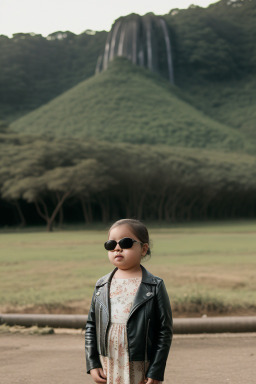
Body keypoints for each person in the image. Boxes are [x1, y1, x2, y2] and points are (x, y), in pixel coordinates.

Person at [85, 218, 173, 384]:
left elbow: (164, 331)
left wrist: (156, 370)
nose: (117, 248)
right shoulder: (101, 285)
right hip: (108, 362)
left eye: (125, 243)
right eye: (111, 244)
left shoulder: (154, 286)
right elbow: (91, 325)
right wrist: (92, 362)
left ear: (144, 249)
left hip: (140, 365)